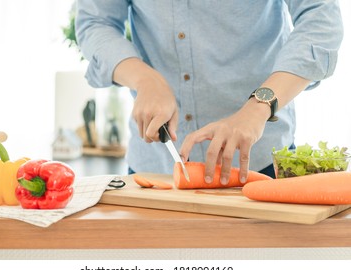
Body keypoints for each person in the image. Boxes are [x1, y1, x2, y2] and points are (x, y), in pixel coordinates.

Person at [75, 1, 343, 183]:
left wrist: (258, 108)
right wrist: (144, 79)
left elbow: (320, 17)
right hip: (156, 169)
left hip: (259, 165)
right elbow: (95, 22)